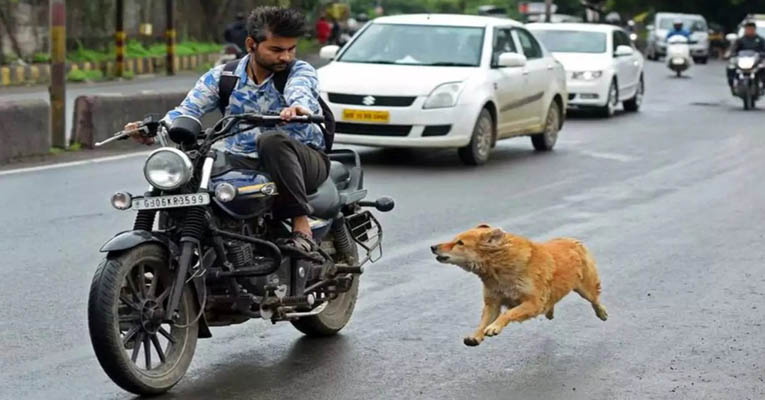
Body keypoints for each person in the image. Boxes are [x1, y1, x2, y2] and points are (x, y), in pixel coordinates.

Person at [127, 6, 328, 252]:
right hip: (241, 161)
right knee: (192, 163)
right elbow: (188, 110)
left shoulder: (298, 71)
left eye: (290, 49)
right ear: (251, 44)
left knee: (271, 141)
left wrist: (297, 108)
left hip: (302, 160)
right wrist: (151, 128)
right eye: (276, 50)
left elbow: (301, 91)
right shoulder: (223, 77)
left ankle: (300, 223)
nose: (285, 57)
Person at [727, 21, 765, 92]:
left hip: (757, 62)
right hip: (743, 62)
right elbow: (734, 50)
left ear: (754, 30)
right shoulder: (740, 40)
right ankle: (732, 85)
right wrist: (731, 54)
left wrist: (762, 54)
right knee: (731, 67)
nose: (750, 31)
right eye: (748, 29)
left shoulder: (760, 40)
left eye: (751, 29)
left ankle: (762, 85)